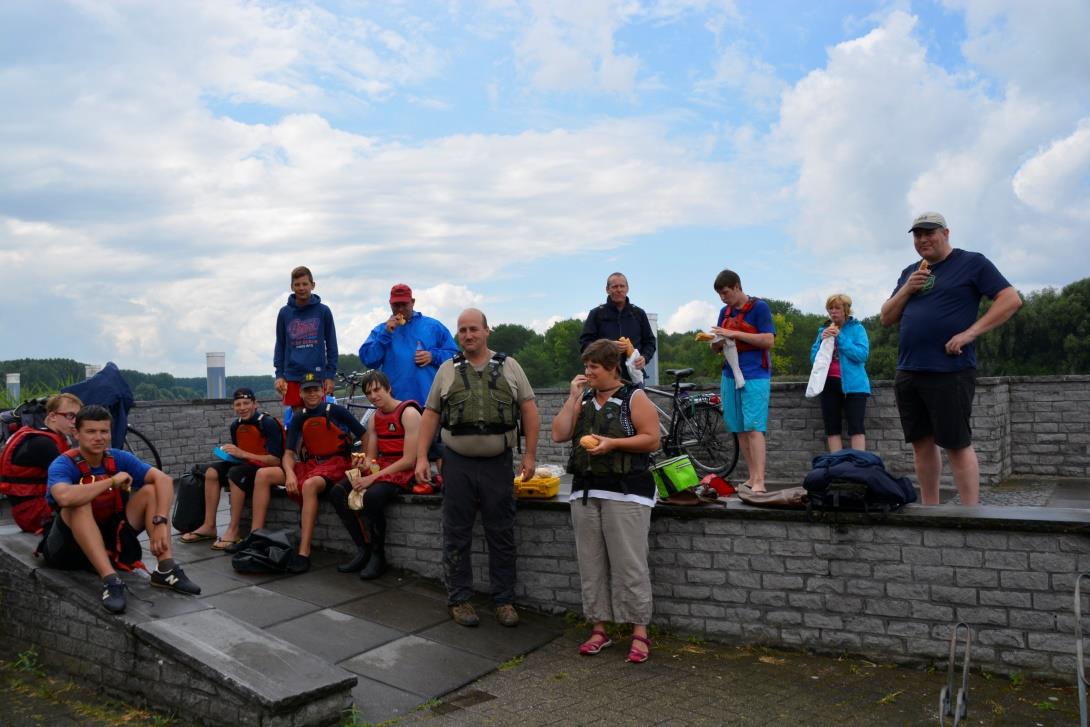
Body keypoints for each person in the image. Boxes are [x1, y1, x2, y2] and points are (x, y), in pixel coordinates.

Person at [880, 212, 1021, 506]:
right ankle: (930, 509)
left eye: (929, 233)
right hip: (909, 370)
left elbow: (1010, 299)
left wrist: (970, 333)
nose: (923, 240)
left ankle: (970, 514)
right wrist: (908, 288)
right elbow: (886, 318)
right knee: (921, 444)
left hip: (949, 370)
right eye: (917, 235)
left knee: (957, 444)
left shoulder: (972, 263)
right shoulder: (910, 272)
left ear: (946, 233)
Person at [414, 308, 540, 628]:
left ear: (486, 331)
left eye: (473, 329)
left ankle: (504, 600)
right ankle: (459, 598)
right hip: (457, 464)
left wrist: (530, 457)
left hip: (498, 464)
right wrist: (420, 458)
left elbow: (529, 411)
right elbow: (430, 415)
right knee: (456, 533)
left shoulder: (510, 366)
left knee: (502, 532)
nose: (468, 335)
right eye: (462, 330)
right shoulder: (446, 370)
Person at [550, 339, 660, 664]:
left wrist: (613, 443)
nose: (588, 373)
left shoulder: (633, 397)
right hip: (586, 491)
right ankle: (599, 628)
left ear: (612, 367)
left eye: (593, 368)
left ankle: (639, 632)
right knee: (591, 563)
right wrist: (572, 398)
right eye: (586, 367)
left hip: (626, 491)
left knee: (629, 563)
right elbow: (558, 433)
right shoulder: (582, 398)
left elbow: (652, 439)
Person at [43, 405, 200, 614]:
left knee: (152, 491)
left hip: (110, 538)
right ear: (76, 433)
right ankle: (111, 581)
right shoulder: (63, 464)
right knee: (77, 502)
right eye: (91, 431)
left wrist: (160, 521)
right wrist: (111, 481)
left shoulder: (117, 458)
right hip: (67, 548)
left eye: (104, 431)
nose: (98, 437)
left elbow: (163, 480)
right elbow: (63, 496)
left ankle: (166, 568)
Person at [243, 373, 364, 572]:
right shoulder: (299, 418)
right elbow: (289, 453)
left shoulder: (337, 411)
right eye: (307, 390)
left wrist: (364, 461)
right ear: (300, 393)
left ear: (323, 391)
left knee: (308, 485)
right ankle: (255, 535)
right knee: (263, 475)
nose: (312, 394)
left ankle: (303, 552)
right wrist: (289, 474)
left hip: (336, 464)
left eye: (315, 389)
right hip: (310, 465)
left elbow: (365, 434)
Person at [328, 370, 421, 580]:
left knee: (372, 496)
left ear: (388, 388)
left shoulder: (409, 413)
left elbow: (409, 460)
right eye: (368, 393)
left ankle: (379, 556)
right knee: (337, 491)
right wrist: (362, 467)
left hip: (403, 470)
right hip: (383, 467)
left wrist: (371, 478)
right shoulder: (375, 418)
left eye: (377, 390)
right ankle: (363, 548)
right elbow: (372, 457)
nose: (373, 396)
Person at [180, 388, 285, 550]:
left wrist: (242, 453)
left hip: (267, 468)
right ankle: (209, 526)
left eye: (246, 403)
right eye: (238, 404)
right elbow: (240, 455)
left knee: (235, 473)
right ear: (233, 407)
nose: (242, 408)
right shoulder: (235, 426)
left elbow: (275, 460)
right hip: (246, 464)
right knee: (211, 471)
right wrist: (229, 454)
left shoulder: (267, 423)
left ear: (255, 404)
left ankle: (234, 530)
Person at [710, 269, 775, 492]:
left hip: (755, 375)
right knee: (739, 428)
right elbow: (716, 348)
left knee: (754, 427)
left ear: (737, 286)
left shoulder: (760, 308)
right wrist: (715, 341)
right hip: (729, 374)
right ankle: (751, 476)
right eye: (720, 294)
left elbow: (768, 340)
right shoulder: (724, 312)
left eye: (726, 292)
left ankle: (760, 481)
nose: (723, 298)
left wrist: (735, 334)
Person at [358, 283, 459, 406]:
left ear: (412, 302)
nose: (400, 309)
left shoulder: (433, 327)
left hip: (431, 405)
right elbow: (368, 359)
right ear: (390, 304)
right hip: (395, 406)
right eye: (396, 305)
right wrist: (385, 335)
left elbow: (456, 357)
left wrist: (433, 356)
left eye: (404, 304)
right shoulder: (381, 330)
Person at [0, 393, 82, 534]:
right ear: (52, 416)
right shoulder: (44, 444)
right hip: (35, 514)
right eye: (70, 416)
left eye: (78, 417)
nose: (75, 422)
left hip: (30, 510)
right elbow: (75, 479)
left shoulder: (42, 436)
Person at [809, 294, 871, 452]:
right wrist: (822, 341)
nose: (833, 311)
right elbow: (813, 359)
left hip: (855, 386)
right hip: (828, 383)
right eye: (830, 308)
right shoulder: (823, 330)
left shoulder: (857, 328)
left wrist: (840, 338)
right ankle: (838, 467)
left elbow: (862, 355)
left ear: (846, 310)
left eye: (837, 308)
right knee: (832, 428)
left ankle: (858, 467)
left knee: (856, 427)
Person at [274, 265, 338, 411]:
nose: (301, 288)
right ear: (292, 287)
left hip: (317, 375)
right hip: (292, 376)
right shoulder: (284, 313)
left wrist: (330, 375)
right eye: (297, 284)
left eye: (305, 284)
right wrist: (279, 374)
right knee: (297, 419)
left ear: (313, 285)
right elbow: (280, 345)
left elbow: (332, 345)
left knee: (316, 418)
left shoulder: (324, 311)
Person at [579, 272, 657, 384]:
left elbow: (650, 341)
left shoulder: (638, 314)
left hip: (634, 376)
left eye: (622, 286)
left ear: (627, 289)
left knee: (636, 402)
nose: (619, 289)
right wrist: (608, 346)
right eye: (615, 287)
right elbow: (585, 345)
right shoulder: (597, 314)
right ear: (607, 290)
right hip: (604, 378)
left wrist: (645, 357)